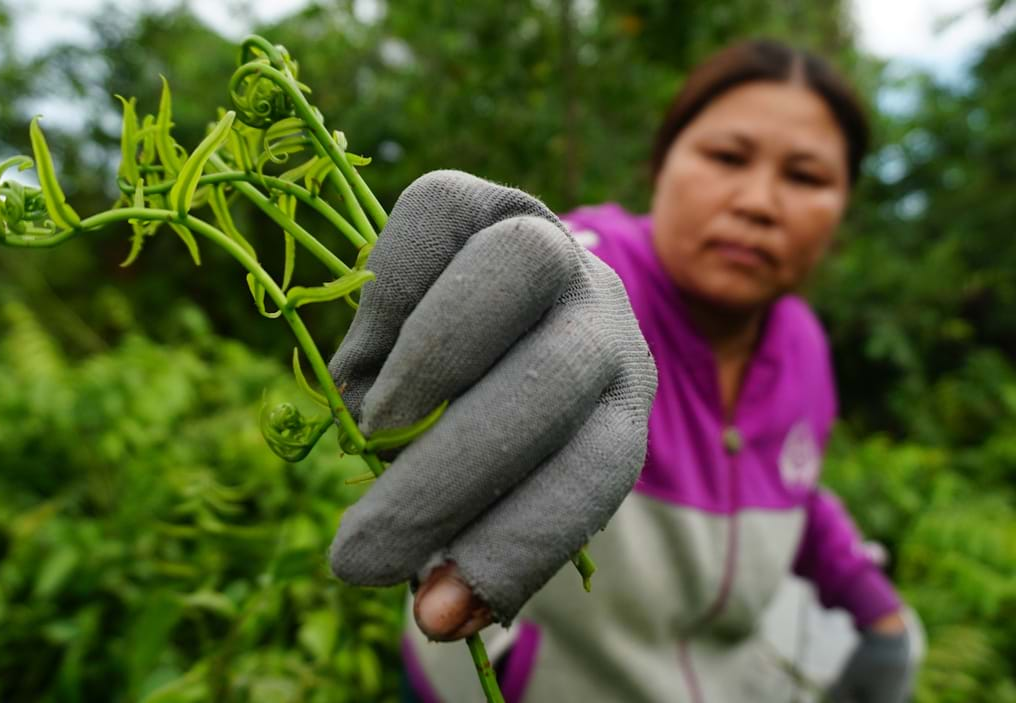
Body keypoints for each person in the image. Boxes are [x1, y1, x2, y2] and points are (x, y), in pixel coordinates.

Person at [326, 39, 917, 702]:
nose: (758, 201)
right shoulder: (596, 271)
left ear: (842, 209)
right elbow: (566, 270)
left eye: (806, 176)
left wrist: (877, 609)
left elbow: (795, 489)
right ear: (662, 166)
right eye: (726, 157)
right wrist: (561, 297)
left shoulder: (803, 343)